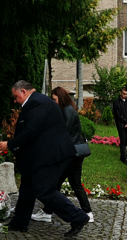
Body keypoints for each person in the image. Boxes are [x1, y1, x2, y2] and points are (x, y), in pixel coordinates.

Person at [0, 81, 89, 237]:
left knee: (43, 190)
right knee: (27, 186)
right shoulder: (37, 101)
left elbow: (32, 131)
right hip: (44, 154)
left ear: (23, 92)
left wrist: (9, 145)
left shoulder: (37, 103)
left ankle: (78, 217)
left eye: (15, 97)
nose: (15, 101)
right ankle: (19, 222)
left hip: (52, 155)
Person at [31, 87, 94, 224]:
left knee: (56, 183)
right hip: (75, 152)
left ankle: (49, 212)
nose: (53, 102)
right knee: (75, 183)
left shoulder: (67, 111)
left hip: (70, 153)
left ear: (60, 98)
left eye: (54, 99)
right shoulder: (68, 110)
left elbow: (62, 132)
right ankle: (87, 211)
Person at [112, 87, 127, 164]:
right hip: (121, 124)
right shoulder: (116, 102)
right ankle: (123, 156)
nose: (125, 95)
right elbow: (118, 114)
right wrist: (125, 121)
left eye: (126, 94)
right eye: (124, 94)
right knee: (123, 140)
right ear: (121, 93)